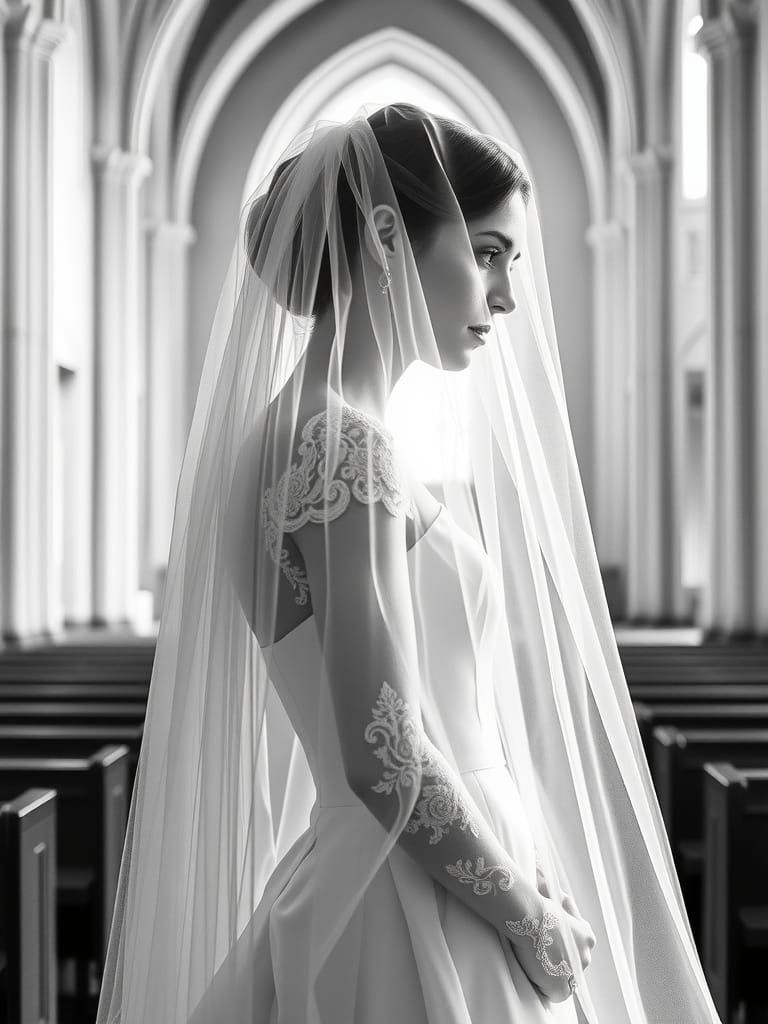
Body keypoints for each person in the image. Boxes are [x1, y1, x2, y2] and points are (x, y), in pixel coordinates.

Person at [96, 104, 722, 1023]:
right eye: (490, 253)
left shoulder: (300, 435)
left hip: (412, 871)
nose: (506, 296)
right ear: (389, 234)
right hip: (412, 901)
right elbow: (384, 757)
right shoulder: (345, 449)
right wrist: (527, 918)